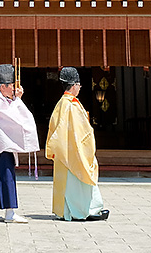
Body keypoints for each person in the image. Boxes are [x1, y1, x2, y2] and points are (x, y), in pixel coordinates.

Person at [46, 67, 109, 222]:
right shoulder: (71, 105)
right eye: (79, 85)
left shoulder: (61, 104)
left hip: (64, 152)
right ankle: (84, 211)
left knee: (68, 186)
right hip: (74, 152)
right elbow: (81, 132)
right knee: (78, 183)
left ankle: (65, 211)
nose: (80, 88)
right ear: (74, 85)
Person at [0, 64, 40, 223]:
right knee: (5, 176)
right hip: (0, 144)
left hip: (2, 143)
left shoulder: (1, 98)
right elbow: (11, 118)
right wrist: (18, 100)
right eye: (12, 86)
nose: (14, 89)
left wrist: (15, 100)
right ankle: (9, 213)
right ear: (4, 86)